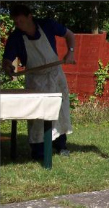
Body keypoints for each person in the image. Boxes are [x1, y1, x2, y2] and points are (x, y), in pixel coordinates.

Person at [2, 4, 75, 160]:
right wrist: (7, 67)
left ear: (30, 17)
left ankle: (61, 146)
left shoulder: (47, 25)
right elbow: (7, 60)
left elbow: (70, 34)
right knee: (37, 116)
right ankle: (39, 151)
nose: (18, 25)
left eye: (21, 21)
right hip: (35, 79)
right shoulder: (16, 37)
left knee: (60, 110)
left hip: (55, 75)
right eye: (16, 22)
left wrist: (70, 52)